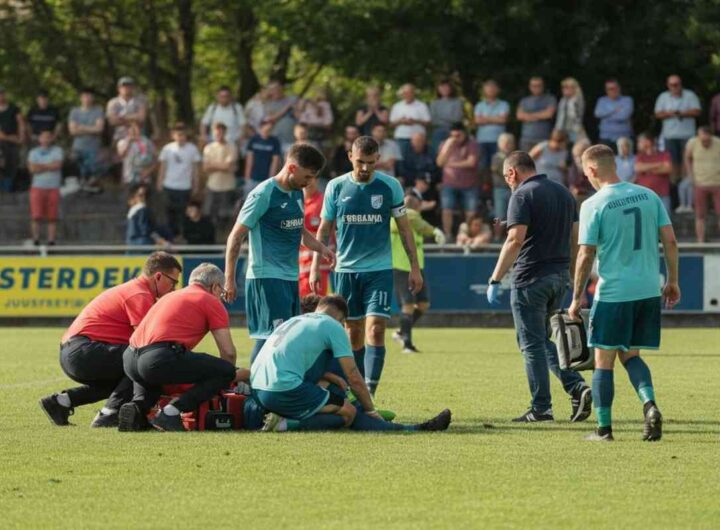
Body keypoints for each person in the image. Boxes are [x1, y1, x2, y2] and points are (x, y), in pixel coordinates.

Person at [568, 144, 680, 442]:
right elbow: (670, 241)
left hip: (614, 293)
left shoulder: (593, 204)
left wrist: (576, 296)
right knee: (630, 355)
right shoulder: (649, 195)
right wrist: (672, 281)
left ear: (591, 170)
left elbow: (586, 253)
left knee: (603, 361)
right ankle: (650, 405)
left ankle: (603, 429)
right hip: (647, 290)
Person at [310, 136, 423, 396]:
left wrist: (414, 267)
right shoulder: (336, 187)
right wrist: (317, 264)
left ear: (378, 160)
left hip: (379, 270)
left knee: (376, 327)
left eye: (370, 163)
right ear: (350, 156)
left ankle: (369, 392)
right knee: (354, 333)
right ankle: (355, 389)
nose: (364, 168)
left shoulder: (390, 186)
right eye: (360, 161)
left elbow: (405, 229)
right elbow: (324, 229)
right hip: (346, 270)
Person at [487, 151, 591, 423]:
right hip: (558, 277)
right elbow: (575, 238)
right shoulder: (564, 193)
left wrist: (496, 278)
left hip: (530, 279)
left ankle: (541, 408)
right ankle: (577, 386)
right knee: (545, 341)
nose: (508, 183)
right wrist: (572, 279)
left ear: (512, 173)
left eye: (507, 178)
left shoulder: (521, 195)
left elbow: (514, 240)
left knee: (530, 344)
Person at [252, 295, 452, 432]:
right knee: (349, 412)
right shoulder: (331, 325)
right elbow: (354, 376)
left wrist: (328, 377)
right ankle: (413, 429)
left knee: (333, 386)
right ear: (341, 320)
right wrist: (371, 410)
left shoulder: (297, 320)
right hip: (283, 390)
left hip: (258, 390)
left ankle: (295, 415)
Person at [39, 252, 182, 427]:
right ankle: (110, 414)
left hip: (74, 352)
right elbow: (149, 342)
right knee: (143, 361)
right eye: (173, 282)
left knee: (123, 381)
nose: (174, 288)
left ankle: (61, 402)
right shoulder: (140, 295)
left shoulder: (136, 290)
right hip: (83, 351)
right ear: (158, 276)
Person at [224, 143, 334, 364]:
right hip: (266, 277)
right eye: (308, 176)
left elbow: (300, 231)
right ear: (292, 168)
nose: (310, 182)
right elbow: (236, 236)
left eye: (313, 178)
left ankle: (272, 391)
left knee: (285, 338)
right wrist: (229, 279)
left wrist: (322, 249)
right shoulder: (263, 194)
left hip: (288, 277)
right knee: (270, 338)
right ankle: (253, 392)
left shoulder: (297, 194)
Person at [119, 263, 247, 432]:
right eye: (221, 292)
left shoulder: (170, 296)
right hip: (158, 358)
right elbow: (228, 353)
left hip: (130, 358)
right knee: (224, 370)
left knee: (152, 385)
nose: (221, 296)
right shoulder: (209, 300)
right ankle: (172, 412)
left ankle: (137, 410)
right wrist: (228, 377)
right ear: (215, 287)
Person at [391, 190, 445, 353]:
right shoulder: (398, 218)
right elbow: (411, 216)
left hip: (416, 269)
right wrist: (434, 230)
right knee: (408, 304)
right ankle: (407, 344)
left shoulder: (415, 221)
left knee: (423, 304)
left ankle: (401, 331)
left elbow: (415, 221)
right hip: (401, 267)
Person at [436, 122, 480, 240]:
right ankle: (448, 235)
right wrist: (447, 147)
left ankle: (468, 236)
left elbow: (471, 162)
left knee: (471, 212)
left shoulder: (472, 144)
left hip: (469, 184)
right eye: (454, 136)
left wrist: (450, 164)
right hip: (449, 184)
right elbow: (440, 163)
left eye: (458, 135)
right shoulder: (445, 144)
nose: (456, 138)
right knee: (446, 210)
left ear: (464, 133)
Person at [157, 123, 201, 238]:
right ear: (173, 135)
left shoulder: (192, 149)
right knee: (169, 214)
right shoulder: (167, 149)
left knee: (183, 214)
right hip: (169, 185)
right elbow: (163, 167)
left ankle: (182, 236)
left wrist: (196, 185)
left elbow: (195, 169)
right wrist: (159, 182)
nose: (181, 137)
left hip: (184, 187)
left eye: (183, 135)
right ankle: (170, 237)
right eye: (178, 134)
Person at [654, 75, 701, 183]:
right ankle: (674, 187)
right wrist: (670, 113)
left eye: (677, 84)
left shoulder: (690, 95)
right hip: (669, 135)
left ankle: (686, 184)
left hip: (687, 136)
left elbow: (697, 111)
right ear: (668, 85)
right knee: (671, 162)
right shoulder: (663, 96)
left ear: (681, 84)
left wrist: (681, 113)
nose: (675, 87)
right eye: (672, 85)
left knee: (687, 161)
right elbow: (657, 114)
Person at [299, 171, 333, 297]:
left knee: (318, 308)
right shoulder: (296, 202)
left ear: (317, 180)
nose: (308, 182)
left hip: (320, 267)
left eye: (311, 178)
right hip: (299, 267)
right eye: (305, 177)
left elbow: (330, 233)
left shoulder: (323, 202)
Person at [27, 130, 63, 246]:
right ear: (39, 139)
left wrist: (40, 166)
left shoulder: (58, 151)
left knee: (52, 216)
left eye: (48, 137)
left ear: (52, 138)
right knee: (36, 215)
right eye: (43, 137)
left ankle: (51, 240)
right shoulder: (33, 152)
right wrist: (49, 165)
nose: (46, 139)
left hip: (53, 187)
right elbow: (32, 169)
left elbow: (57, 165)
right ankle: (35, 239)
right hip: (37, 187)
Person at [684, 126, 720, 241]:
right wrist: (690, 175)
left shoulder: (718, 143)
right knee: (700, 215)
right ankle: (700, 241)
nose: (705, 142)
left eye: (707, 140)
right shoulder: (692, 143)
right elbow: (687, 157)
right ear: (698, 137)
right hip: (699, 183)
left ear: (711, 136)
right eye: (702, 140)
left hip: (717, 183)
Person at [202, 122, 238, 230]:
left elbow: (229, 166)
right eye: (217, 133)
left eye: (221, 133)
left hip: (227, 186)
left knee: (225, 216)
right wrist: (224, 166)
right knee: (209, 214)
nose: (219, 135)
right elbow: (205, 168)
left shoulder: (232, 146)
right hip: (212, 186)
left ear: (225, 133)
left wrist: (212, 165)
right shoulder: (208, 147)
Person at [68, 88, 105, 186]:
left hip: (93, 148)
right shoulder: (74, 112)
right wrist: (91, 129)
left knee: (94, 176)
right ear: (80, 98)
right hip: (78, 148)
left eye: (89, 96)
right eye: (84, 96)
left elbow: (99, 129)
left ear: (93, 98)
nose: (87, 98)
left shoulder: (98, 110)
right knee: (79, 175)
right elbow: (72, 131)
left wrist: (81, 127)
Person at [474, 80, 510, 170]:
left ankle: (498, 185)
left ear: (498, 90)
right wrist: (496, 118)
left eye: (493, 88)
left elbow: (503, 120)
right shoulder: (479, 105)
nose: (491, 90)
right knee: (483, 166)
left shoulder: (504, 104)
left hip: (499, 141)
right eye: (488, 88)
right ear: (484, 90)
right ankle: (485, 184)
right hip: (482, 140)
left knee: (498, 166)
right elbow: (477, 120)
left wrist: (485, 118)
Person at [389, 83, 431, 159]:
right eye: (405, 93)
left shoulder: (421, 105)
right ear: (402, 94)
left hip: (418, 138)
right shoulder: (397, 106)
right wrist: (401, 121)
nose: (407, 94)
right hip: (401, 137)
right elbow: (391, 124)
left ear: (413, 93)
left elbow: (428, 122)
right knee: (402, 160)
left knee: (419, 160)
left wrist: (415, 121)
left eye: (409, 92)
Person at [516, 77, 557, 152]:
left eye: (539, 85)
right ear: (530, 87)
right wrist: (540, 115)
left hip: (544, 138)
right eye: (534, 85)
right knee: (525, 162)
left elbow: (549, 114)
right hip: (526, 138)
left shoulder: (550, 98)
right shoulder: (524, 100)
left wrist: (528, 116)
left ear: (543, 86)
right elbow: (519, 116)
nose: (536, 87)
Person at [635, 133, 672, 213]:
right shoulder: (640, 156)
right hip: (644, 196)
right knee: (647, 222)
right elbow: (638, 168)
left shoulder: (664, 154)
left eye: (640, 142)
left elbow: (667, 169)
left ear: (648, 142)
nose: (638, 144)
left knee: (666, 223)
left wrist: (647, 169)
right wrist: (659, 164)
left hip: (662, 194)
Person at [244, 118, 282, 195]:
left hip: (266, 178)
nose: (268, 131)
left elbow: (275, 162)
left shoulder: (275, 141)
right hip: (252, 177)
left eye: (270, 129)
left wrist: (270, 179)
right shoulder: (253, 140)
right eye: (266, 128)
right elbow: (249, 160)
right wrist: (247, 177)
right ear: (261, 127)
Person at [594, 79, 634, 151]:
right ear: (606, 90)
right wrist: (615, 110)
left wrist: (605, 116)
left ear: (619, 88)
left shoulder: (627, 100)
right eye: (610, 89)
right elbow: (597, 114)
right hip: (605, 137)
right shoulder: (602, 100)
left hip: (624, 137)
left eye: (615, 88)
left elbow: (624, 116)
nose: (613, 90)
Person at [106, 77, 148, 143]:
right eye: (123, 86)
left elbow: (141, 118)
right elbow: (112, 121)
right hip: (119, 137)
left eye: (129, 86)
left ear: (133, 88)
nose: (126, 88)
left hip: (139, 136)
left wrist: (121, 117)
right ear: (118, 88)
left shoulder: (140, 101)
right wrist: (134, 118)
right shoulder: (112, 103)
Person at [489, 132, 515, 240]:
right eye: (505, 143)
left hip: (514, 189)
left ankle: (511, 238)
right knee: (499, 215)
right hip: (500, 189)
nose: (507, 145)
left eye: (509, 143)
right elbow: (498, 170)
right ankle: (497, 237)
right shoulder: (496, 157)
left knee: (513, 215)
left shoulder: (515, 157)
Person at [0, 87, 25, 193]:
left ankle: (8, 189)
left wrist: (21, 138)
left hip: (13, 143)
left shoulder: (14, 108)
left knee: (13, 164)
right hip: (3, 143)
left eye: (2, 94)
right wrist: (11, 138)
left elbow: (21, 123)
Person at [429, 79, 464, 154]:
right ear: (438, 89)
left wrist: (441, 117)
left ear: (451, 88)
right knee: (437, 153)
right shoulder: (434, 103)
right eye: (441, 87)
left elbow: (457, 118)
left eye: (446, 87)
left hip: (453, 130)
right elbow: (433, 120)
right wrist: (449, 117)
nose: (444, 89)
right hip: (438, 130)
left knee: (453, 153)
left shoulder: (457, 102)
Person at [117, 121, 155, 186]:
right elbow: (121, 155)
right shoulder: (122, 142)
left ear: (140, 129)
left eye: (135, 127)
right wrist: (128, 141)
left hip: (145, 179)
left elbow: (156, 159)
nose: (133, 130)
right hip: (129, 178)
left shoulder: (147, 142)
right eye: (131, 128)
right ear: (127, 130)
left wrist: (149, 171)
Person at [263, 81, 298, 153]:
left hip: (291, 138)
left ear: (281, 89)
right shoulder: (268, 104)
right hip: (275, 138)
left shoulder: (292, 98)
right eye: (271, 90)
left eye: (276, 89)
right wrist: (287, 108)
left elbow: (299, 114)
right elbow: (271, 118)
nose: (274, 91)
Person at [555, 77, 586, 144]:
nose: (564, 89)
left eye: (567, 87)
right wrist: (557, 129)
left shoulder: (578, 100)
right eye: (563, 87)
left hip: (574, 131)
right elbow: (560, 117)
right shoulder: (563, 100)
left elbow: (575, 116)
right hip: (562, 130)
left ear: (574, 88)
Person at [567, 138, 593, 203]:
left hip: (591, 193)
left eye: (580, 155)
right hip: (576, 194)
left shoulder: (593, 166)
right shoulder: (573, 167)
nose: (578, 159)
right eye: (576, 156)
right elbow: (572, 183)